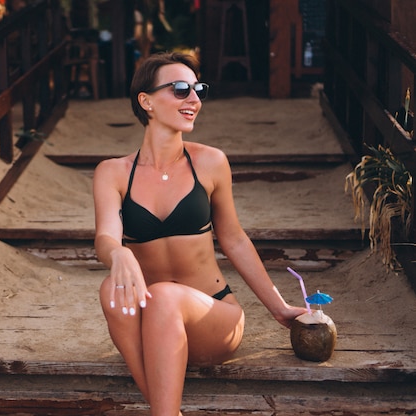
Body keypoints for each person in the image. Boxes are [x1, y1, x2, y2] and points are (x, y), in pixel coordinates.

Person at [93, 52, 307, 416]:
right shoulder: (112, 172)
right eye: (179, 89)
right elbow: (105, 238)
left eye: (198, 89)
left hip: (213, 317)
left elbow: (234, 238)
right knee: (111, 291)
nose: (193, 99)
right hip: (151, 325)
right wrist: (120, 253)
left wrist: (279, 307)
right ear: (146, 101)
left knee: (163, 296)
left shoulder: (210, 162)